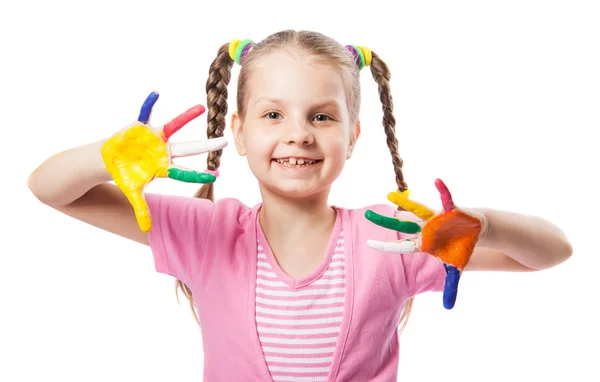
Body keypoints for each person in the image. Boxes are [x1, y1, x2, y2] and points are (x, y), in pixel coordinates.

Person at [27, 30, 573, 381]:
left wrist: (483, 225)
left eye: (321, 116)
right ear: (237, 132)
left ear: (353, 136)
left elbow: (552, 252)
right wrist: (109, 156)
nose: (298, 135)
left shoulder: (394, 241)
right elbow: (50, 188)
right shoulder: (206, 233)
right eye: (272, 116)